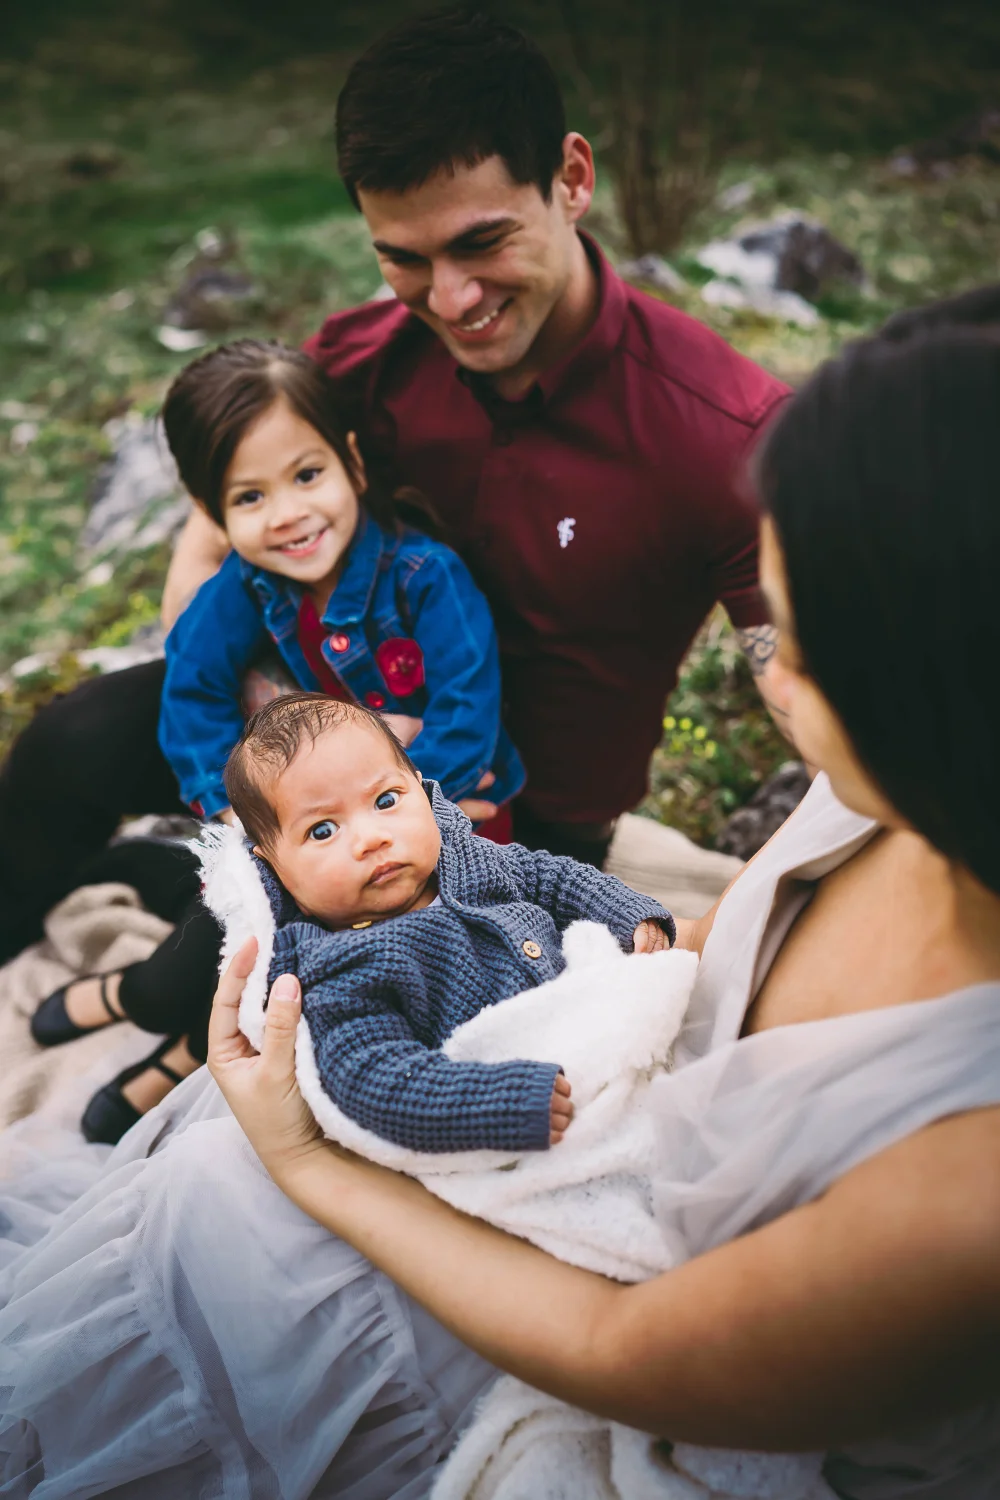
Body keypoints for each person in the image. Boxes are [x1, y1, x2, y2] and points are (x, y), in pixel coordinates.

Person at [2, 324, 999, 1497]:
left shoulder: (965, 1194)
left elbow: (627, 1356)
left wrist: (305, 1161)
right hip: (405, 1181)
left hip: (485, 1294)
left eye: (795, 644)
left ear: (933, 677)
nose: (761, 668)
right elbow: (687, 941)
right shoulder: (873, 802)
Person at [0, 6, 787, 979]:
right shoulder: (359, 364)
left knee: (268, 982)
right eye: (403, 258)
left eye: (482, 243)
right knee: (67, 742)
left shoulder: (725, 432)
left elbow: (799, 685)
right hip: (316, 740)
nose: (451, 299)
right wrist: (261, 743)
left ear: (572, 180)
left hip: (510, 808)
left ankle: (157, 950)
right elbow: (213, 531)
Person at [28, 338, 528, 1144]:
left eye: (306, 476)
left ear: (352, 464)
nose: (290, 513)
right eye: (250, 497)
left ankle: (193, 1043)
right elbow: (190, 694)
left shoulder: (426, 578)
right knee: (227, 939)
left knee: (369, 968)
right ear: (216, 514)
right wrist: (238, 815)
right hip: (297, 832)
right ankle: (144, 1000)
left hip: (432, 818)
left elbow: (468, 716)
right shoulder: (242, 594)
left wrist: (405, 809)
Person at [217, 692, 672, 1153]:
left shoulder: (468, 861)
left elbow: (553, 878)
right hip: (533, 1102)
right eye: (323, 830)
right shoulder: (336, 967)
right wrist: (494, 1102)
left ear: (419, 787)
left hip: (604, 1029)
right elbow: (375, 1078)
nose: (372, 839)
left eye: (386, 800)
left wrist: (628, 915)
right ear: (275, 869)